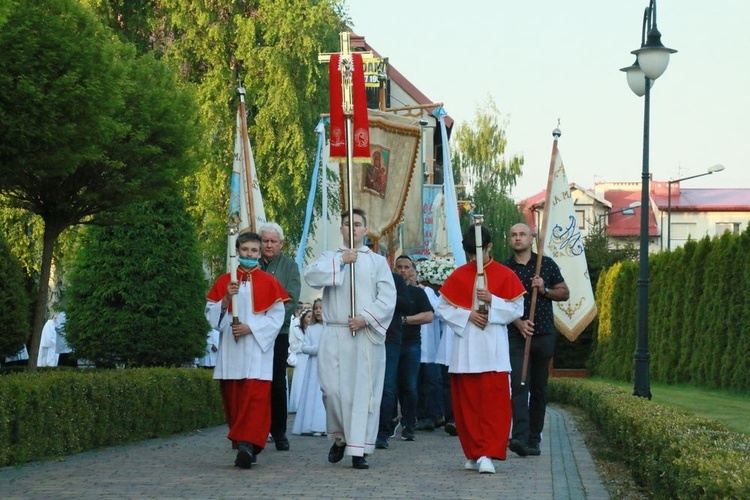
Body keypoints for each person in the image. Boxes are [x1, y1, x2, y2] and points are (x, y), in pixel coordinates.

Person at [304, 208, 396, 470]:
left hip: (363, 333)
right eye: (347, 224)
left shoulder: (377, 262)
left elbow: (387, 298)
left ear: (365, 230)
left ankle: (359, 449)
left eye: (357, 224)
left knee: (362, 393)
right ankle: (340, 437)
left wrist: (366, 317)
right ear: (341, 229)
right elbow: (311, 277)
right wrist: (342, 261)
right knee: (331, 390)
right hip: (334, 331)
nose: (352, 228)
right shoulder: (330, 257)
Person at [437, 225, 525, 474]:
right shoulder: (459, 274)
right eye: (471, 255)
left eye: (480, 253)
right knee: (467, 405)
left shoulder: (505, 274)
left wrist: (492, 300)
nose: (475, 260)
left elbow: (516, 309)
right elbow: (443, 308)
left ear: (489, 248)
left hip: (493, 350)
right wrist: (467, 315)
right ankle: (474, 452)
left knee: (494, 405)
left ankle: (489, 452)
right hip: (465, 349)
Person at [205, 230, 290, 469]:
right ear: (237, 252)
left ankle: (247, 445)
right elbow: (211, 318)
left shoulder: (270, 281)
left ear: (259, 252)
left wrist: (249, 328)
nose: (250, 254)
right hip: (232, 352)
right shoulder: (225, 280)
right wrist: (224, 300)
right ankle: (245, 445)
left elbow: (276, 317)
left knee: (255, 400)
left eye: (254, 250)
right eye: (245, 250)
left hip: (256, 352)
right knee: (236, 399)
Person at [505, 223, 569, 458]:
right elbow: (499, 302)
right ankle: (520, 437)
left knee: (539, 388)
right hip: (517, 335)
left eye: (522, 234)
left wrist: (544, 289)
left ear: (531, 238)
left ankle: (534, 439)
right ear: (509, 240)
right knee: (519, 384)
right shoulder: (505, 268)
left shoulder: (545, 264)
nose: (518, 238)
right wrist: (518, 322)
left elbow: (564, 292)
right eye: (514, 235)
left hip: (543, 334)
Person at [257, 222, 301, 452]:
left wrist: (268, 324)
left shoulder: (290, 267)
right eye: (265, 240)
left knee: (276, 383)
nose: (269, 245)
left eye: (273, 241)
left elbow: (291, 299)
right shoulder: (251, 265)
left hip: (278, 333)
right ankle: (255, 431)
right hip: (251, 335)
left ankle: (279, 431)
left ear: (281, 244)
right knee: (255, 383)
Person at [393, 255, 433, 441]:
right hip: (391, 343)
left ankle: (409, 424)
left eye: (406, 267)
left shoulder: (418, 293)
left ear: (412, 271)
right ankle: (390, 422)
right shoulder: (388, 291)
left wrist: (405, 320)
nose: (402, 270)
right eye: (399, 267)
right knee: (390, 385)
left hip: (411, 344)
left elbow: (428, 316)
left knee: (410, 385)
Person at [375, 271, 410, 450]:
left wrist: (387, 298)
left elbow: (406, 304)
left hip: (390, 338)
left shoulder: (395, 279)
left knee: (387, 387)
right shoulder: (363, 274)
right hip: (366, 334)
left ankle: (383, 432)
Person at [291, 300, 327, 436]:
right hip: (313, 367)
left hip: (328, 365)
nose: (318, 311)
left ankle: (325, 425)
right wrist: (320, 349)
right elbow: (304, 348)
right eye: (316, 308)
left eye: (321, 308)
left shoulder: (330, 328)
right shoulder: (311, 329)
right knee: (313, 393)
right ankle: (310, 424)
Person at [287, 308, 313, 413]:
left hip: (310, 357)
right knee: (300, 381)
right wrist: (304, 347)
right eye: (308, 317)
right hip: (301, 358)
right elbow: (293, 346)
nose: (310, 319)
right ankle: (297, 404)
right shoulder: (296, 330)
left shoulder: (313, 329)